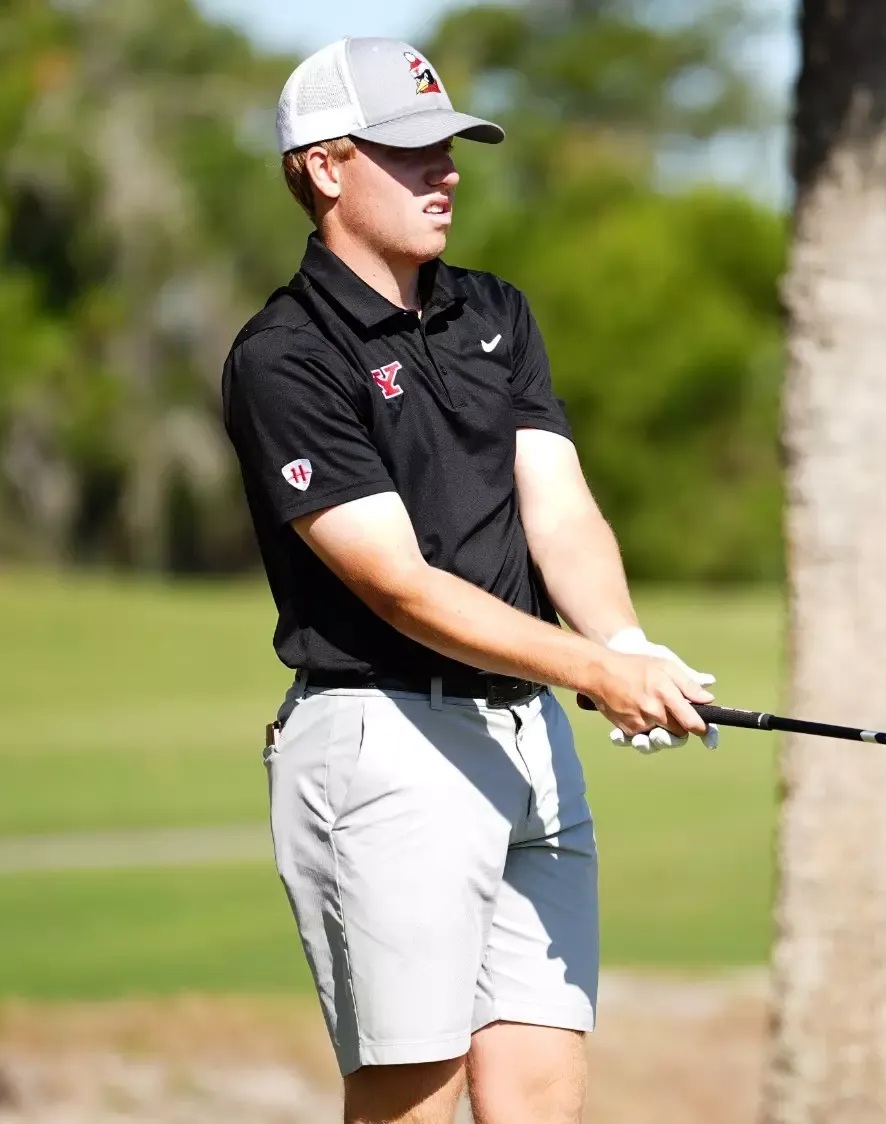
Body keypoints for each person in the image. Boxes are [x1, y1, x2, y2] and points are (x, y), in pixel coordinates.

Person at [218, 36, 719, 1124]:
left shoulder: (493, 310)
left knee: (539, 1091)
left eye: (449, 148)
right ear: (326, 166)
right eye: (410, 153)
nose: (443, 170)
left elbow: (559, 504)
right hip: (383, 744)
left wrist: (621, 642)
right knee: (413, 1097)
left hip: (527, 737)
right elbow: (398, 584)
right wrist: (586, 662)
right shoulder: (286, 357)